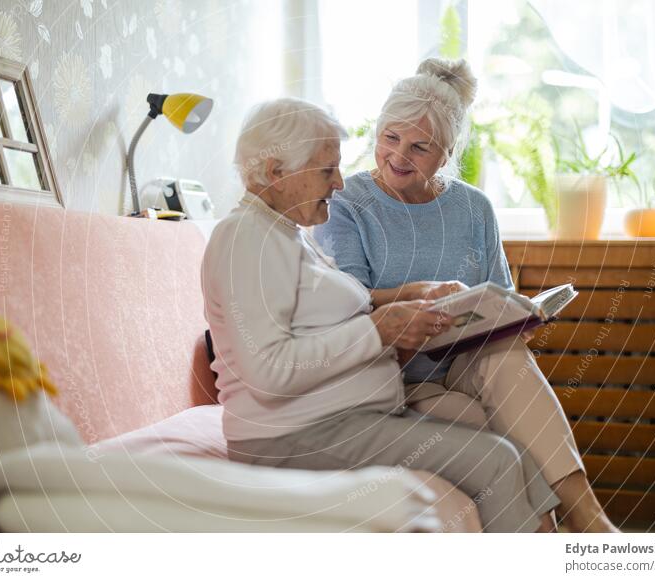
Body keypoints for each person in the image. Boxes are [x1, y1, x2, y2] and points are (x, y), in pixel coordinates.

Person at [201, 97, 561, 532]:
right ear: (276, 172)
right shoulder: (246, 239)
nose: (339, 183)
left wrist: (409, 295)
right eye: (325, 171)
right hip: (294, 436)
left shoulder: (283, 233)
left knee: (507, 443)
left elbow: (322, 314)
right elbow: (267, 369)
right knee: (497, 461)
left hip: (344, 418)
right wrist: (379, 330)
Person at [314, 57, 617, 532]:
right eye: (389, 138)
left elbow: (501, 297)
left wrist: (520, 315)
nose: (399, 156)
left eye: (420, 147)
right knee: (499, 432)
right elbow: (351, 299)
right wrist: (418, 296)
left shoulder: (474, 207)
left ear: (448, 151)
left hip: (465, 362)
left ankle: (592, 520)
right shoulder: (349, 203)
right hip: (395, 376)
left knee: (507, 353)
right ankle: (556, 537)